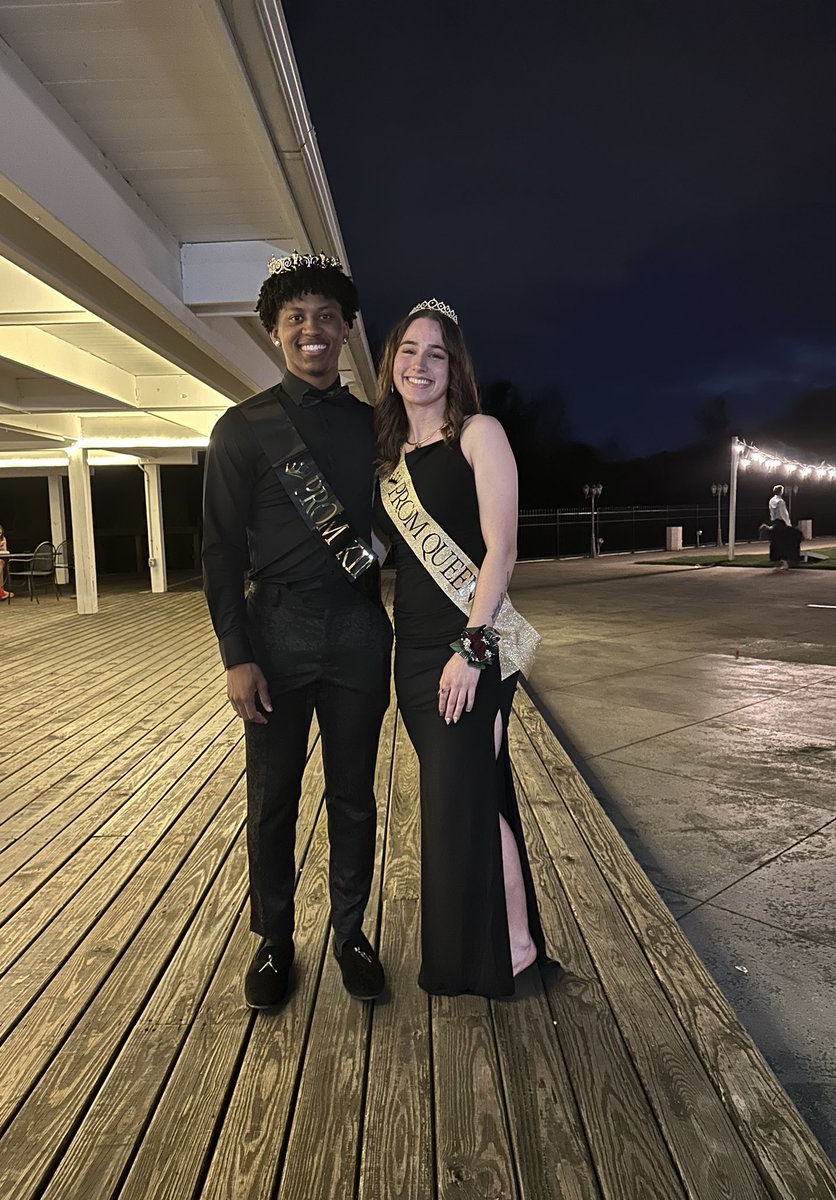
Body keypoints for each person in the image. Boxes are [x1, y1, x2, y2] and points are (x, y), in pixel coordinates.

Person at [202, 252, 392, 1011]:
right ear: (275, 332)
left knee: (353, 796)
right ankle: (275, 941)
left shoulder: (378, 428)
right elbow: (217, 549)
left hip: (356, 631)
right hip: (273, 633)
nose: (311, 331)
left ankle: (350, 932)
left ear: (346, 331)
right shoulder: (241, 428)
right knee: (272, 798)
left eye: (325, 317)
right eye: (295, 319)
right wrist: (235, 655)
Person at [373, 299, 548, 997]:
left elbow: (501, 549)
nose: (420, 364)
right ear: (391, 364)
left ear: (454, 368)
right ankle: (498, 948)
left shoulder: (479, 434)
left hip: (472, 650)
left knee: (468, 801)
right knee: (466, 799)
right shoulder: (387, 466)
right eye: (409, 351)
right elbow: (375, 553)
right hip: (412, 656)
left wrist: (472, 652)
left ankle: (515, 950)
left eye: (435, 353)